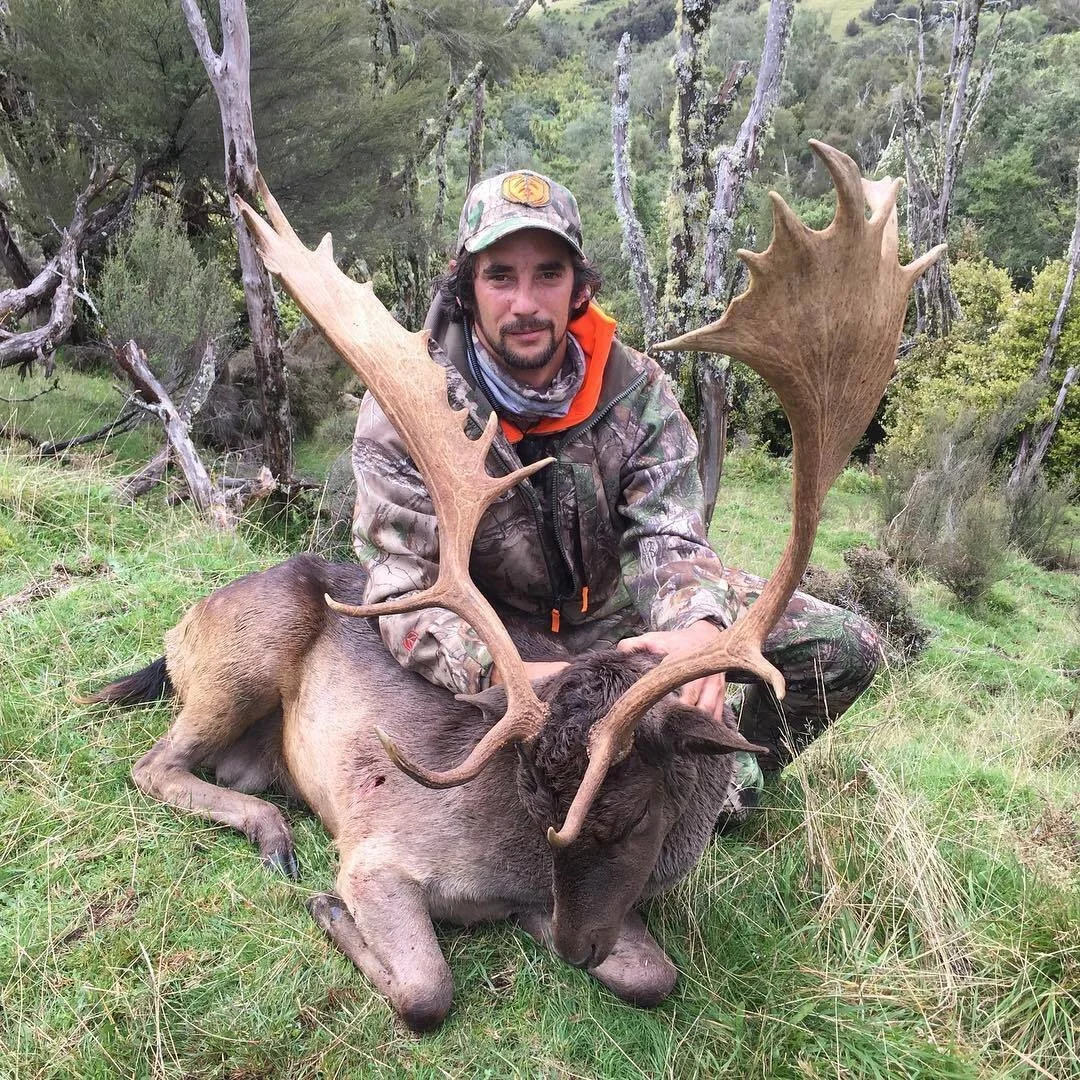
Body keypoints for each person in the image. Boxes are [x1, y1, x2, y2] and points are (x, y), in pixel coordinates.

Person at [351, 168, 881, 818]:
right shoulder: (404, 409)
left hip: (618, 619)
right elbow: (401, 589)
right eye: (500, 277)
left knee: (843, 647)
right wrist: (493, 669)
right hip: (504, 634)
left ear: (579, 285)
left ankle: (731, 792)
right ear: (467, 287)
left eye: (548, 273)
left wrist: (698, 630)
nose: (525, 302)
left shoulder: (635, 391)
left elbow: (668, 536)